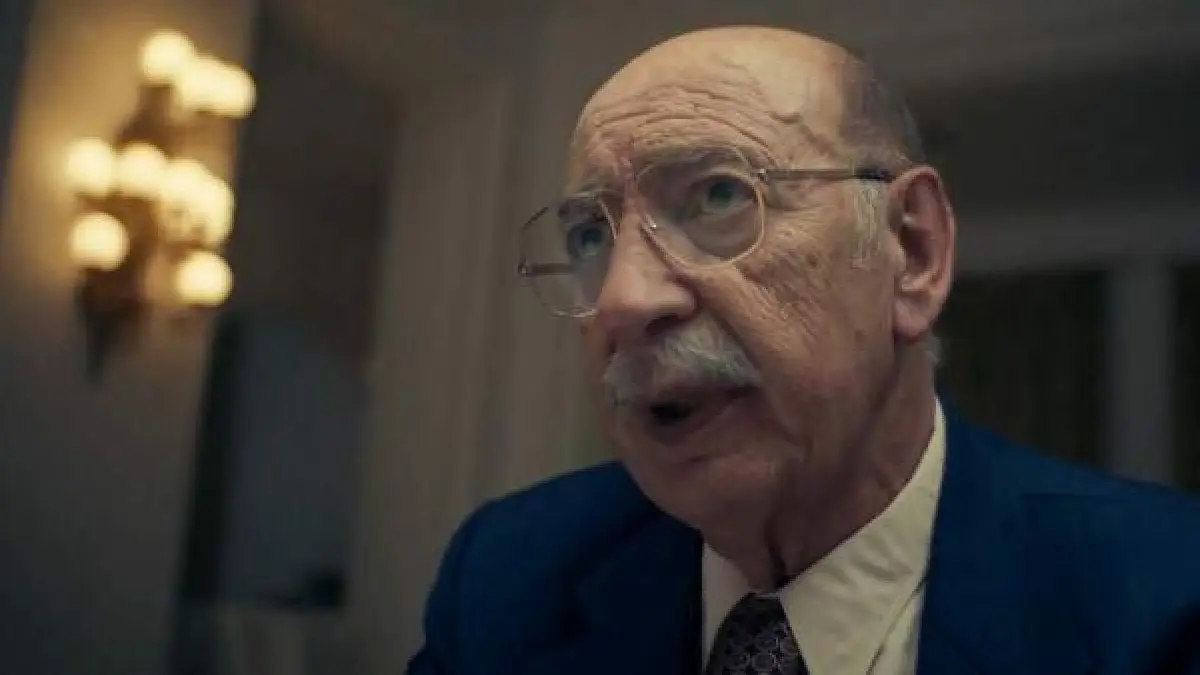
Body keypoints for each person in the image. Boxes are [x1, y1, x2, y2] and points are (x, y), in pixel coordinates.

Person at [407, 26, 1200, 675]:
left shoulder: (1167, 594)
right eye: (590, 234)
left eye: (718, 195)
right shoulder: (508, 581)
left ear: (912, 252)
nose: (623, 298)